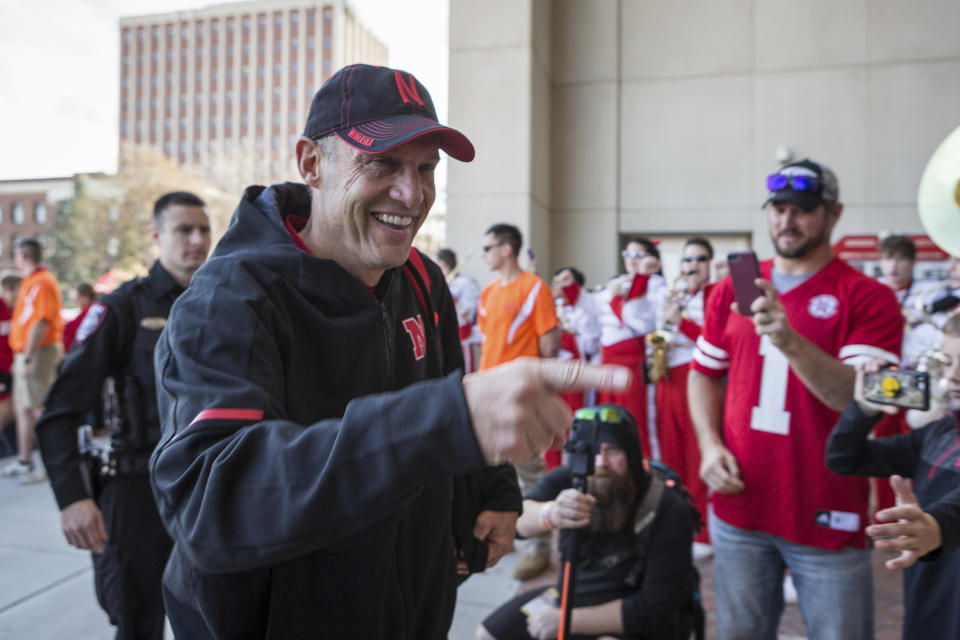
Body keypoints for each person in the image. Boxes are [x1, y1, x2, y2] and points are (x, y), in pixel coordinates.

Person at [149, 64, 629, 639]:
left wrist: (495, 491)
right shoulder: (229, 298)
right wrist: (441, 421)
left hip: (414, 607)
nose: (413, 193)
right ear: (311, 164)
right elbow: (209, 501)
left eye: (426, 169)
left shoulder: (422, 278)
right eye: (382, 163)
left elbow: (452, 395)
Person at [688, 158, 903, 639]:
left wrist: (789, 340)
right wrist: (708, 445)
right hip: (739, 506)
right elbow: (703, 374)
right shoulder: (735, 284)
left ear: (834, 213)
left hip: (826, 511)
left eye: (802, 209)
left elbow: (857, 399)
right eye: (778, 208)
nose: (786, 221)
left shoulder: (867, 296)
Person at [35, 192, 210, 640]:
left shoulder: (222, 301)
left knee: (219, 620)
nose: (196, 240)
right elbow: (59, 411)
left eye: (204, 229)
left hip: (210, 489)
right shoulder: (121, 308)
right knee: (138, 624)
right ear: (155, 236)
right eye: (183, 230)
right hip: (138, 493)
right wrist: (73, 496)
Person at [478, 404, 699, 640]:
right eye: (592, 451)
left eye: (612, 450)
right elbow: (516, 521)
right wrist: (551, 513)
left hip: (633, 618)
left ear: (632, 454)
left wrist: (567, 620)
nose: (601, 462)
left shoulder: (667, 507)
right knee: (488, 635)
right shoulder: (570, 479)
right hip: (569, 595)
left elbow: (654, 609)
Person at [826, 311, 960, 639]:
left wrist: (936, 525)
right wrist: (863, 409)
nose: (953, 376)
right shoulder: (940, 432)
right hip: (930, 608)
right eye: (948, 361)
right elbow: (845, 458)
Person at [478, 222, 561, 581]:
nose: (484, 255)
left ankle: (539, 545)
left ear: (507, 248)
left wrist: (538, 390)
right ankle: (502, 534)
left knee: (528, 471)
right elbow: (486, 343)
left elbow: (550, 344)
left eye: (487, 248)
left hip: (521, 394)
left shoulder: (534, 288)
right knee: (492, 468)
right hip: (487, 393)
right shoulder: (488, 292)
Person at [655, 236, 714, 555]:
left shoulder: (716, 295)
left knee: (696, 455)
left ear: (710, 264)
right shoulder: (674, 293)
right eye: (687, 260)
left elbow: (718, 340)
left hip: (697, 378)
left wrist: (683, 323)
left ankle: (702, 532)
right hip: (668, 378)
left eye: (700, 259)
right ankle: (676, 523)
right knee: (671, 456)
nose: (692, 266)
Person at [0, 238, 63, 482]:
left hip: (37, 351)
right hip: (27, 352)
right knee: (24, 406)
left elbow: (41, 321)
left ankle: (51, 465)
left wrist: (27, 358)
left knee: (40, 407)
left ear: (22, 256)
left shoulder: (42, 282)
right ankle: (25, 460)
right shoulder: (32, 281)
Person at [596, 238, 665, 458]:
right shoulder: (616, 283)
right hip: (607, 362)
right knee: (607, 421)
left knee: (635, 420)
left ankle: (643, 468)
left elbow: (641, 324)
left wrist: (622, 294)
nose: (632, 260)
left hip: (633, 362)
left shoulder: (655, 284)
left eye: (638, 255)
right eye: (628, 254)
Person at [437, 247, 482, 372]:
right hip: (443, 341)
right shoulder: (440, 283)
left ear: (442, 264)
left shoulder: (466, 283)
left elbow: (469, 313)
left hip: (462, 340)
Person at [0, 273, 22, 455]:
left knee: (16, 410)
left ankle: (17, 450)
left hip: (17, 369)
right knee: (5, 410)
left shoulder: (18, 310)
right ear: (8, 290)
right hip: (2, 370)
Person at [62, 282, 96, 352]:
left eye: (78, 297)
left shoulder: (89, 310)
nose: (75, 301)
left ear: (86, 297)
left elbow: (72, 329)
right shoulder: (89, 309)